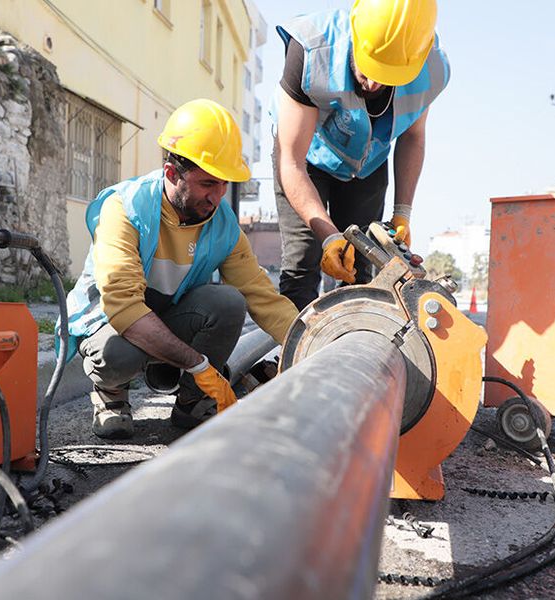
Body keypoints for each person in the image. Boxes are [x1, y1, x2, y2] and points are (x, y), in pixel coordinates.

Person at [63, 98, 299, 439]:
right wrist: (198, 364)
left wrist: (311, 343)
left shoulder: (223, 225)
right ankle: (111, 394)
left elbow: (262, 297)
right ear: (173, 174)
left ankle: (193, 402)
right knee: (117, 353)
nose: (217, 197)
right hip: (110, 322)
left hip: (167, 315)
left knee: (229, 302)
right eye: (207, 184)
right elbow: (125, 308)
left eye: (223, 185)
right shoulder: (125, 209)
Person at [273, 0, 450, 310]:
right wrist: (328, 236)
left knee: (361, 267)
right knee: (303, 263)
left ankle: (351, 348)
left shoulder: (431, 68)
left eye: (388, 75)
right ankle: (292, 356)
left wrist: (403, 212)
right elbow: (291, 161)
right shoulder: (311, 49)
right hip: (307, 160)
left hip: (367, 163)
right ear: (356, 36)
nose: (374, 83)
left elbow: (413, 136)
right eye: (369, 68)